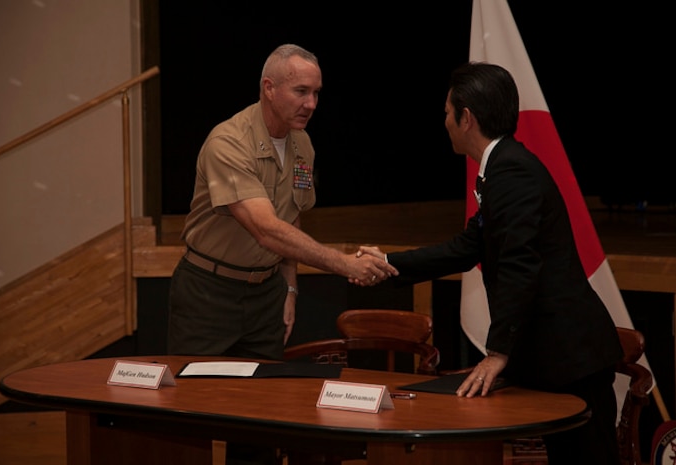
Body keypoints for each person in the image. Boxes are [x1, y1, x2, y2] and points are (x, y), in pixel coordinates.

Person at [356, 62, 623, 465]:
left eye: (447, 111)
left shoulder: (511, 171)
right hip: (554, 357)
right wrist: (389, 263)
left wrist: (497, 352)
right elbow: (469, 246)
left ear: (467, 119)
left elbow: (519, 264)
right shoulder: (500, 168)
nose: (443, 120)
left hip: (572, 358)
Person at [167, 43, 397, 465]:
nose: (311, 104)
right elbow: (266, 228)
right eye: (301, 92)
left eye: (317, 93)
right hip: (207, 293)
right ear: (269, 88)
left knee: (259, 419)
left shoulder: (302, 147)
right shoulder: (227, 142)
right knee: (189, 418)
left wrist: (289, 290)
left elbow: (290, 220)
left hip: (264, 297)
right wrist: (345, 264)